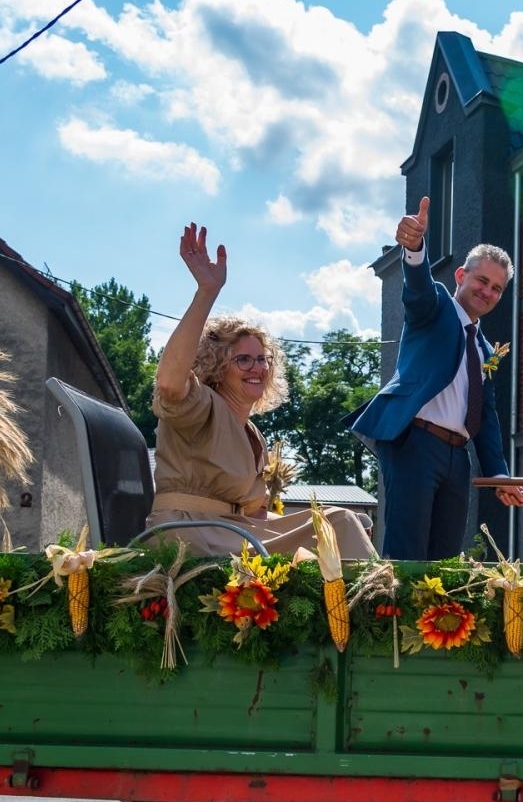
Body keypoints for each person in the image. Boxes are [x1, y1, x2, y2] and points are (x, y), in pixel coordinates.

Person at [147, 223, 374, 559]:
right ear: (217, 366)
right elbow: (169, 381)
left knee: (341, 522)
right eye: (243, 360)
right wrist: (207, 292)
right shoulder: (200, 406)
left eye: (262, 359)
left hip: (232, 533)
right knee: (338, 523)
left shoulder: (253, 435)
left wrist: (316, 524)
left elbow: (256, 516)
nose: (257, 368)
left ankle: (361, 606)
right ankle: (383, 607)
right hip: (187, 532)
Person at [350, 197, 523, 561]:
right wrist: (414, 248)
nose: (488, 292)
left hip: (457, 456)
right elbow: (418, 290)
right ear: (461, 275)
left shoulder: (484, 349)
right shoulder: (437, 307)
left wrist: (499, 475)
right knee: (407, 556)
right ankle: (395, 617)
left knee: (445, 562)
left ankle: (434, 618)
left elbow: (487, 416)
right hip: (415, 442)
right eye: (482, 280)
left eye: (497, 288)